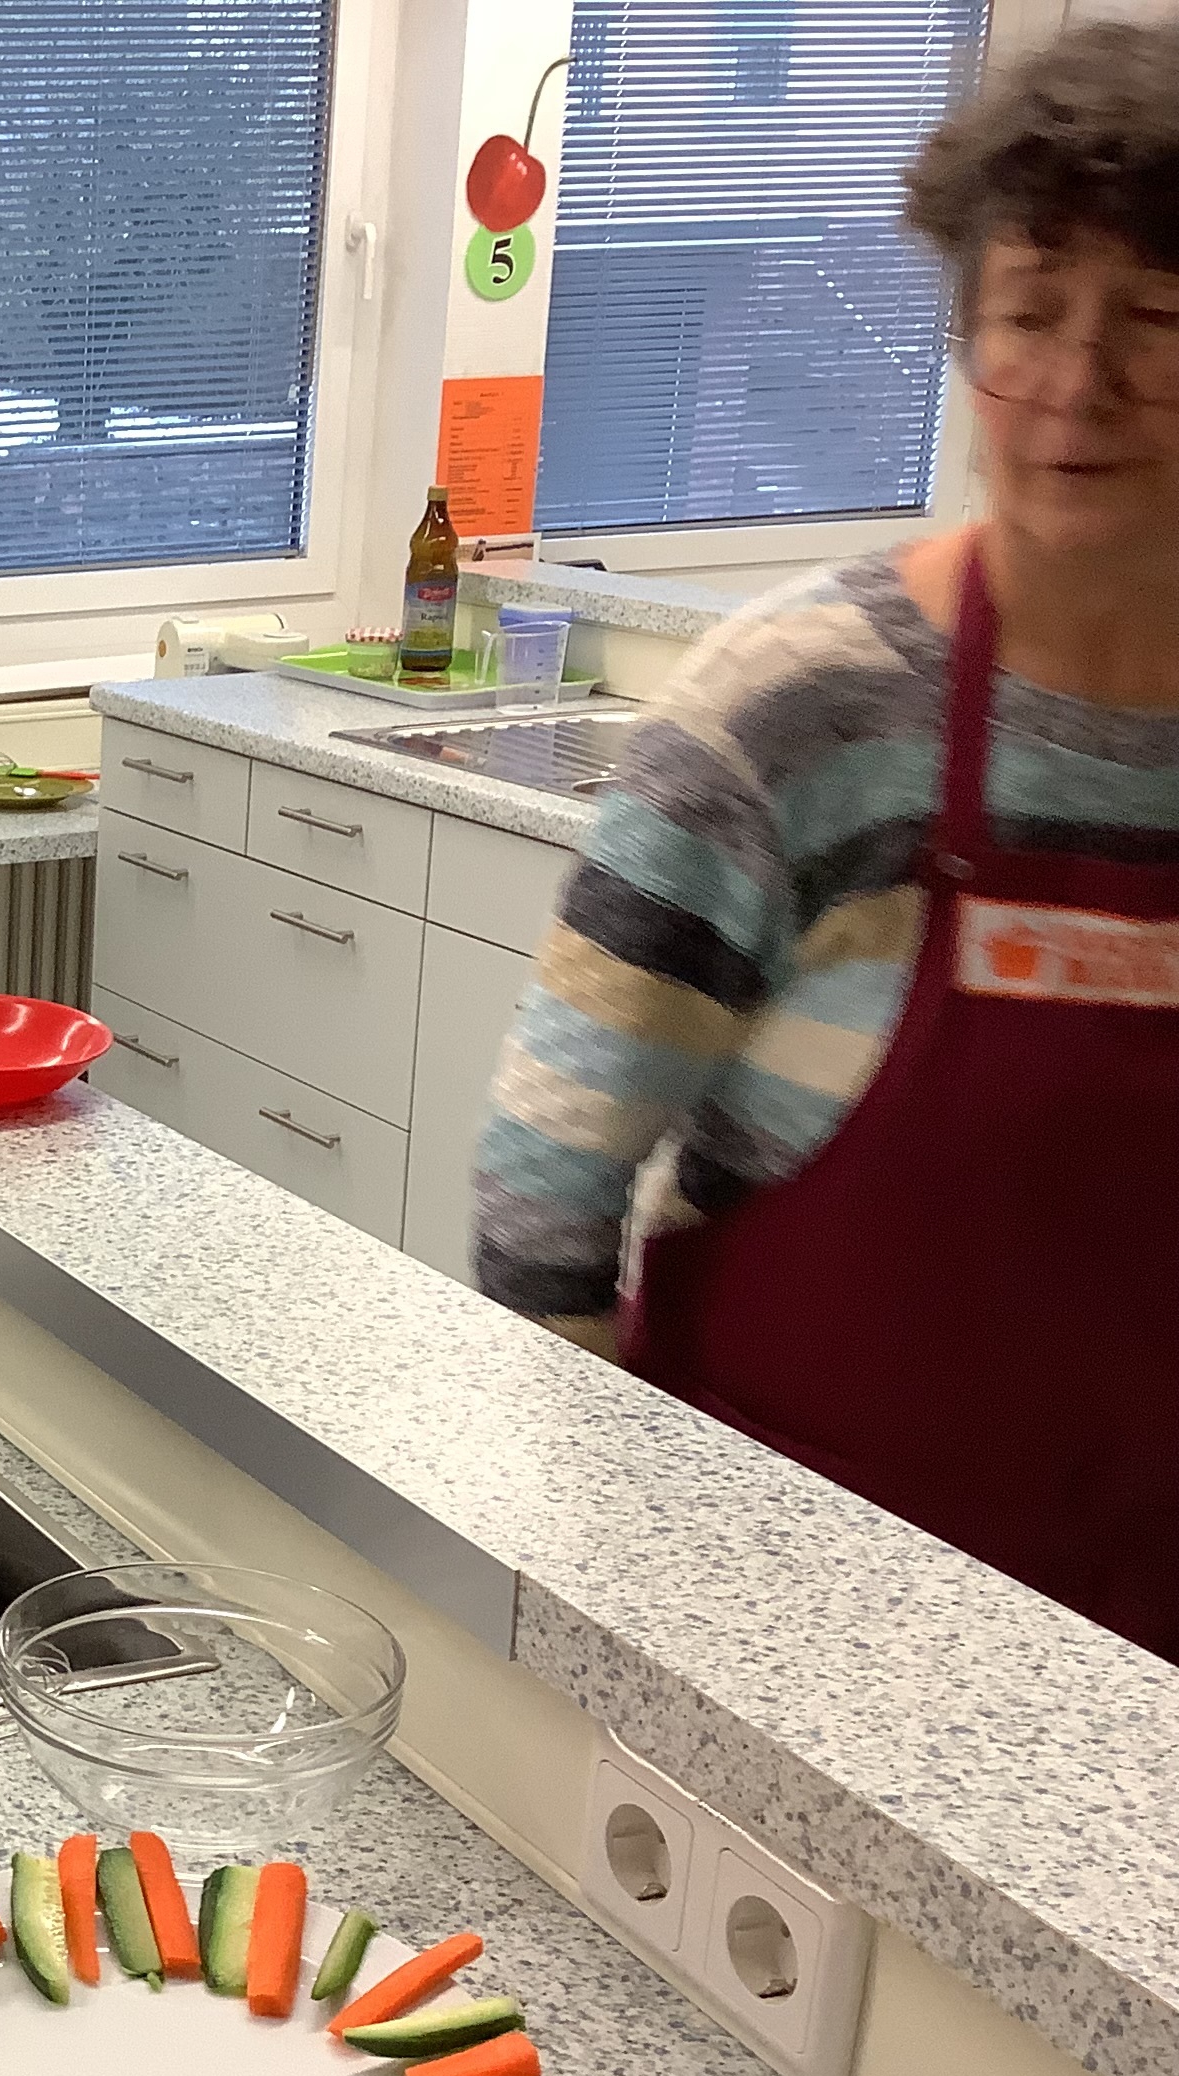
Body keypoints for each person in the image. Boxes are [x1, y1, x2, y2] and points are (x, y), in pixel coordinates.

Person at [475, 15, 1179, 1658]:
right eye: (1027, 314)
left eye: (1155, 322)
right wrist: (574, 1594)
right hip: (776, 1591)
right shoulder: (803, 706)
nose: (1076, 388)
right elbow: (546, 1181)